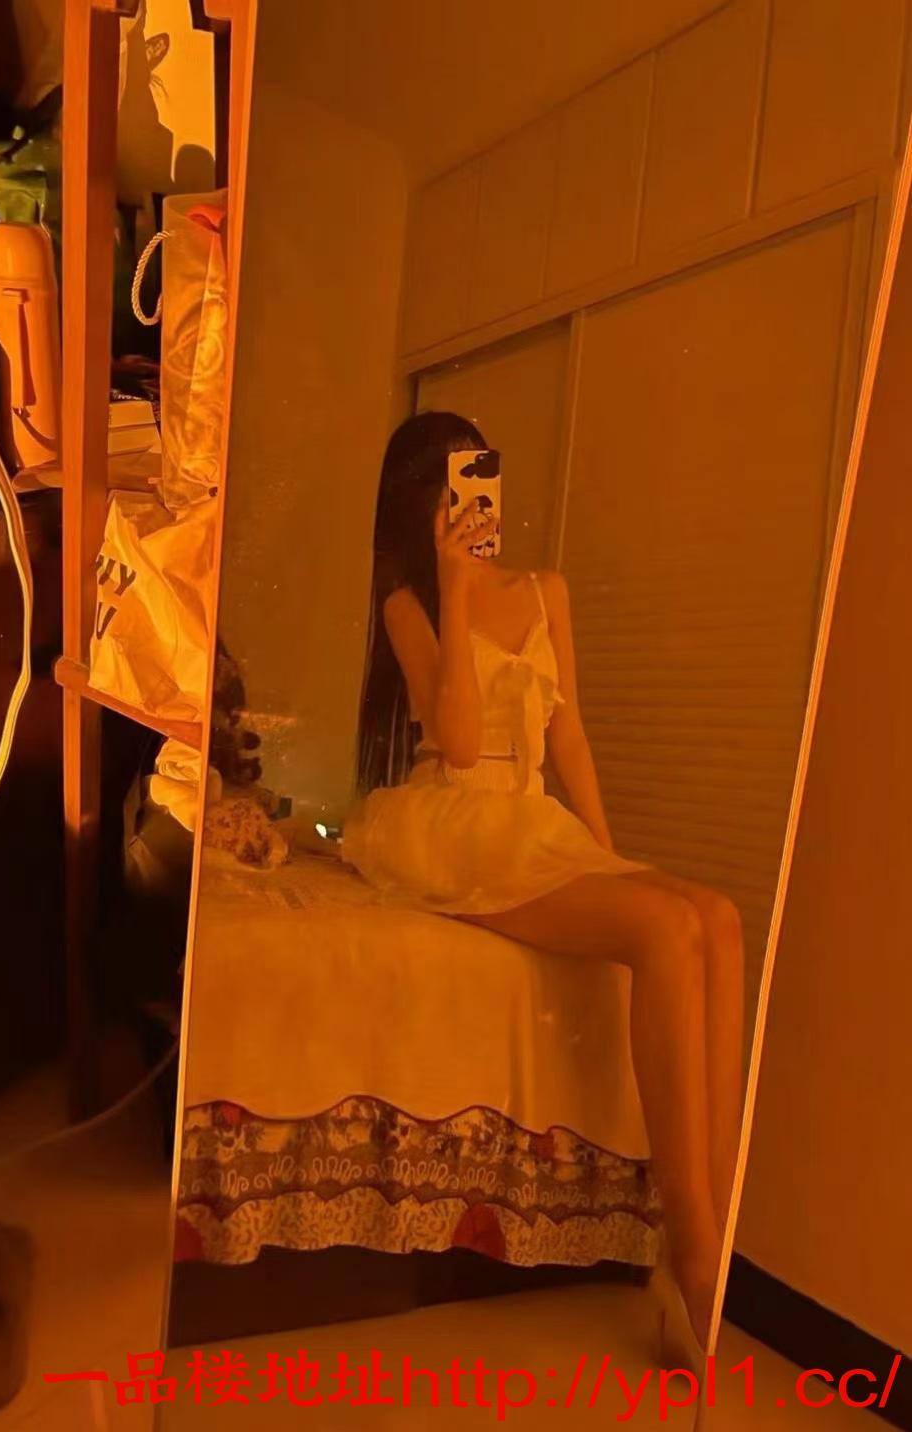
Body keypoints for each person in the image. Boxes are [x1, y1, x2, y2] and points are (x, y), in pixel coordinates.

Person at [343, 411, 744, 1356]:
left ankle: (709, 1222)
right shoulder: (407, 603)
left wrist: (608, 862)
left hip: (531, 817)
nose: (470, 503)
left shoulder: (544, 591)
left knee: (713, 919)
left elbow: (569, 738)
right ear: (422, 505)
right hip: (454, 820)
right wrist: (451, 585)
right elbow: (458, 743)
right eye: (449, 487)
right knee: (661, 931)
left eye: (478, 477)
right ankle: (691, 1247)